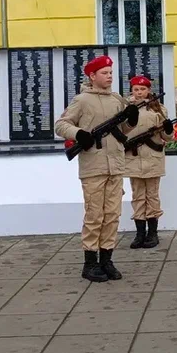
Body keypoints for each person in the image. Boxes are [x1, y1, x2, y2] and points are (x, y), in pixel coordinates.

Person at [55, 55, 138, 283]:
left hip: (116, 166)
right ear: (92, 76)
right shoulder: (82, 100)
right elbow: (61, 125)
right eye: (104, 73)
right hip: (94, 166)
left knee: (112, 215)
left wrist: (131, 120)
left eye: (111, 73)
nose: (109, 76)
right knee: (94, 215)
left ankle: (106, 260)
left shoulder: (116, 100)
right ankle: (90, 263)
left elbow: (123, 131)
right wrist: (78, 133)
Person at [124, 76, 174, 249]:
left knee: (152, 196)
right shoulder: (126, 108)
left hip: (153, 158)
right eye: (136, 89)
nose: (139, 93)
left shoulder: (158, 109)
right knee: (138, 196)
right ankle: (140, 233)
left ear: (148, 90)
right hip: (133, 158)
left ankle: (153, 233)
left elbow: (167, 137)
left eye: (142, 89)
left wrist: (168, 129)